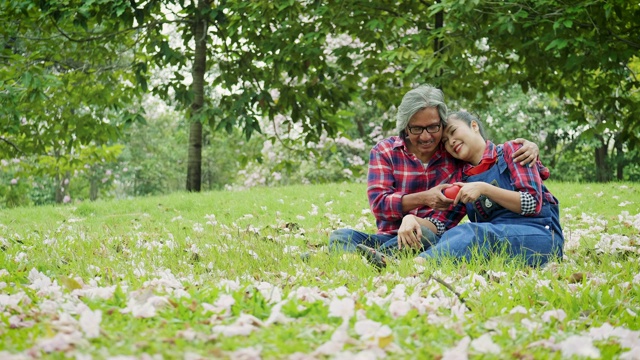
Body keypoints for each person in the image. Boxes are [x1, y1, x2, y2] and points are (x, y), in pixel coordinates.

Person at [328, 84, 540, 256]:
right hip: (388, 236)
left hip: (431, 239)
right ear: (405, 127)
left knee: (425, 237)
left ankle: (370, 257)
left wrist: (530, 147)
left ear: (441, 123)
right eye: (416, 129)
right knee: (341, 236)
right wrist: (425, 199)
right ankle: (377, 255)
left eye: (433, 127)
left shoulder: (455, 155)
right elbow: (380, 205)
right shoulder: (385, 151)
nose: (426, 136)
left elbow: (487, 156)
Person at [392, 111, 564, 267]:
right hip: (496, 239)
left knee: (473, 232)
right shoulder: (463, 178)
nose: (451, 142)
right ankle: (381, 256)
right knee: (436, 236)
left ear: (474, 126)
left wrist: (484, 188)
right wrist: (412, 219)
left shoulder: (512, 151)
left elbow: (532, 202)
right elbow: (441, 224)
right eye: (445, 141)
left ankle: (414, 265)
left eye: (453, 132)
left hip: (540, 237)